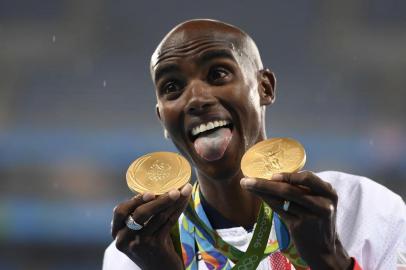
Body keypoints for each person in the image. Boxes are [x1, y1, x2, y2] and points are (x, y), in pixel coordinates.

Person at [103, 19, 406, 270]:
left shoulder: (367, 210)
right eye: (172, 88)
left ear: (265, 87)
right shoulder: (133, 255)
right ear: (162, 119)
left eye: (218, 73)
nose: (195, 99)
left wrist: (330, 260)